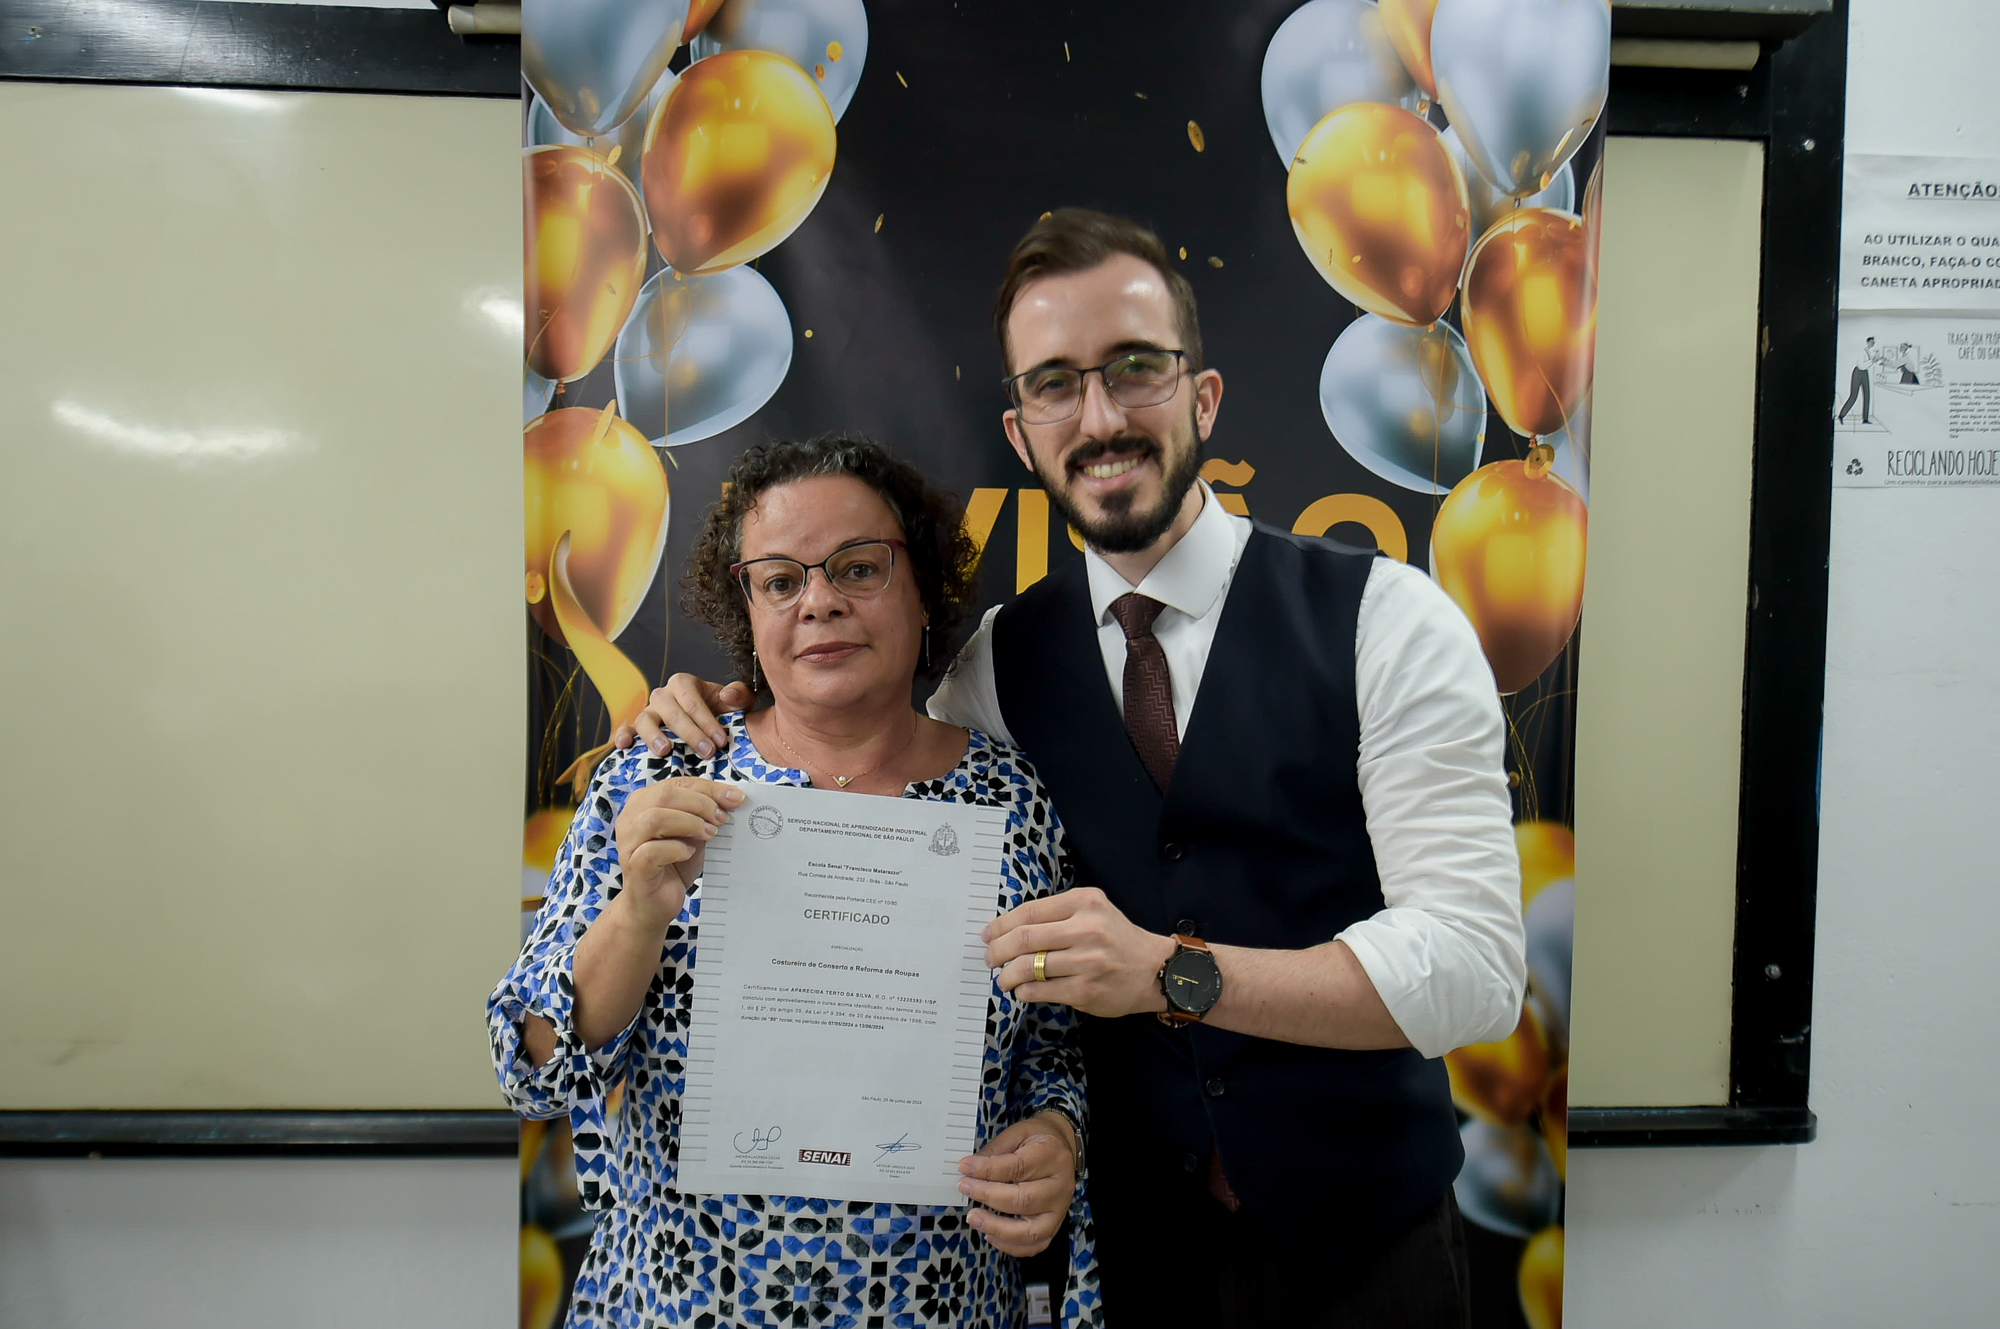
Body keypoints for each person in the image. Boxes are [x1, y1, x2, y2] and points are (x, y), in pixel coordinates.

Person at [623, 210, 1526, 1328]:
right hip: (1129, 1256)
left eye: (1135, 368)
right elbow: (859, 765)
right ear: (1020, 432)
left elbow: (1473, 967)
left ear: (1203, 397)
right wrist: (716, 712)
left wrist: (1170, 975)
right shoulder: (996, 665)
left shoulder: (1386, 621)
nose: (1098, 418)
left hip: (1369, 1252)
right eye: (1055, 384)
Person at [492, 436, 1102, 1329]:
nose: (819, 601)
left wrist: (1056, 1134)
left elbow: (1051, 1046)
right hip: (679, 1306)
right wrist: (639, 913)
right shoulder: (657, 777)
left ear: (924, 589)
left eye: (859, 567)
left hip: (937, 1305)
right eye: (780, 580)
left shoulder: (1012, 801)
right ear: (747, 609)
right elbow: (533, 1071)